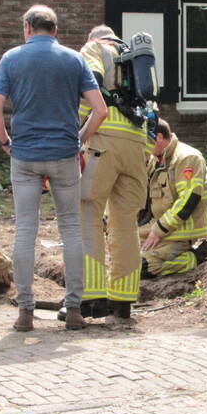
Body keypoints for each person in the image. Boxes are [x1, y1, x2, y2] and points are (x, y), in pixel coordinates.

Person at [0, 5, 107, 332]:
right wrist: (80, 138)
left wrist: (5, 142)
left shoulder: (10, 59)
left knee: (26, 228)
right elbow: (100, 110)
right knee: (71, 228)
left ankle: (25, 311)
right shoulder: (74, 59)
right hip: (64, 154)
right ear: (54, 30)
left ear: (27, 28)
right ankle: (73, 311)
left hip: (24, 154)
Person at [72, 24, 150, 327]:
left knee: (88, 212)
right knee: (125, 222)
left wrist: (77, 131)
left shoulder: (94, 49)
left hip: (103, 139)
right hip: (135, 144)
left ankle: (92, 297)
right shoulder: (135, 58)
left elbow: (91, 85)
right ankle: (124, 300)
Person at [140, 119, 207, 277]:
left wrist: (159, 230)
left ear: (158, 137)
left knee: (143, 267)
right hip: (161, 227)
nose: (143, 146)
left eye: (145, 140)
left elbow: (189, 199)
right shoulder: (155, 159)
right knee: (123, 252)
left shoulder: (188, 158)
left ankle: (196, 257)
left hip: (180, 231)